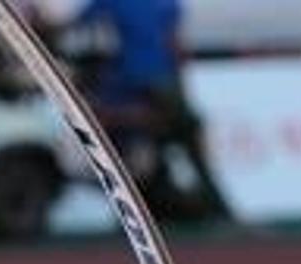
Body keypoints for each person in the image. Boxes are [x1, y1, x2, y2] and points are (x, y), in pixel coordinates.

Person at [48, 0, 230, 219]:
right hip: (154, 86)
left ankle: (191, 204)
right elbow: (174, 45)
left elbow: (77, 28)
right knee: (183, 139)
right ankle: (213, 206)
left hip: (130, 86)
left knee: (163, 139)